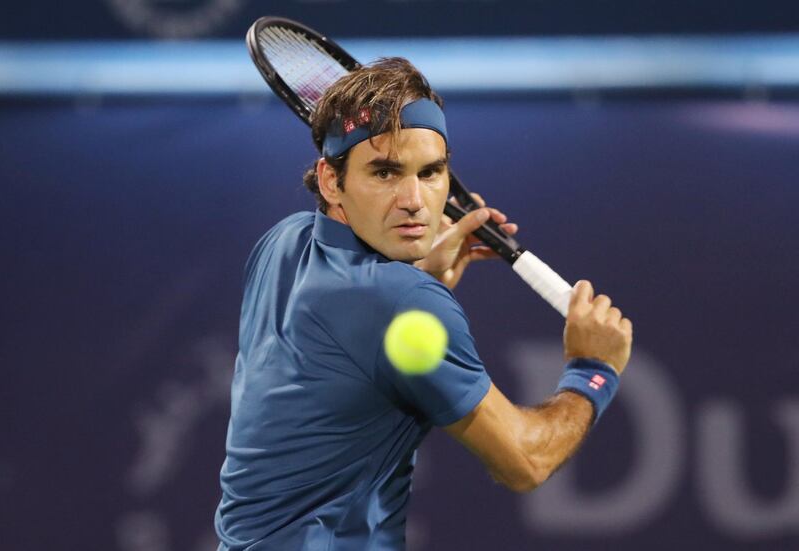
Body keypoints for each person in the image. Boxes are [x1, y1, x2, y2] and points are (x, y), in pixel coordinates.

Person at [215, 57, 633, 550]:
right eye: (386, 172)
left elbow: (347, 345)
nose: (415, 199)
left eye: (431, 172)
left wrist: (422, 275)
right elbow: (525, 461)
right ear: (332, 181)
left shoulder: (282, 243)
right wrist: (592, 370)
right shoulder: (404, 301)